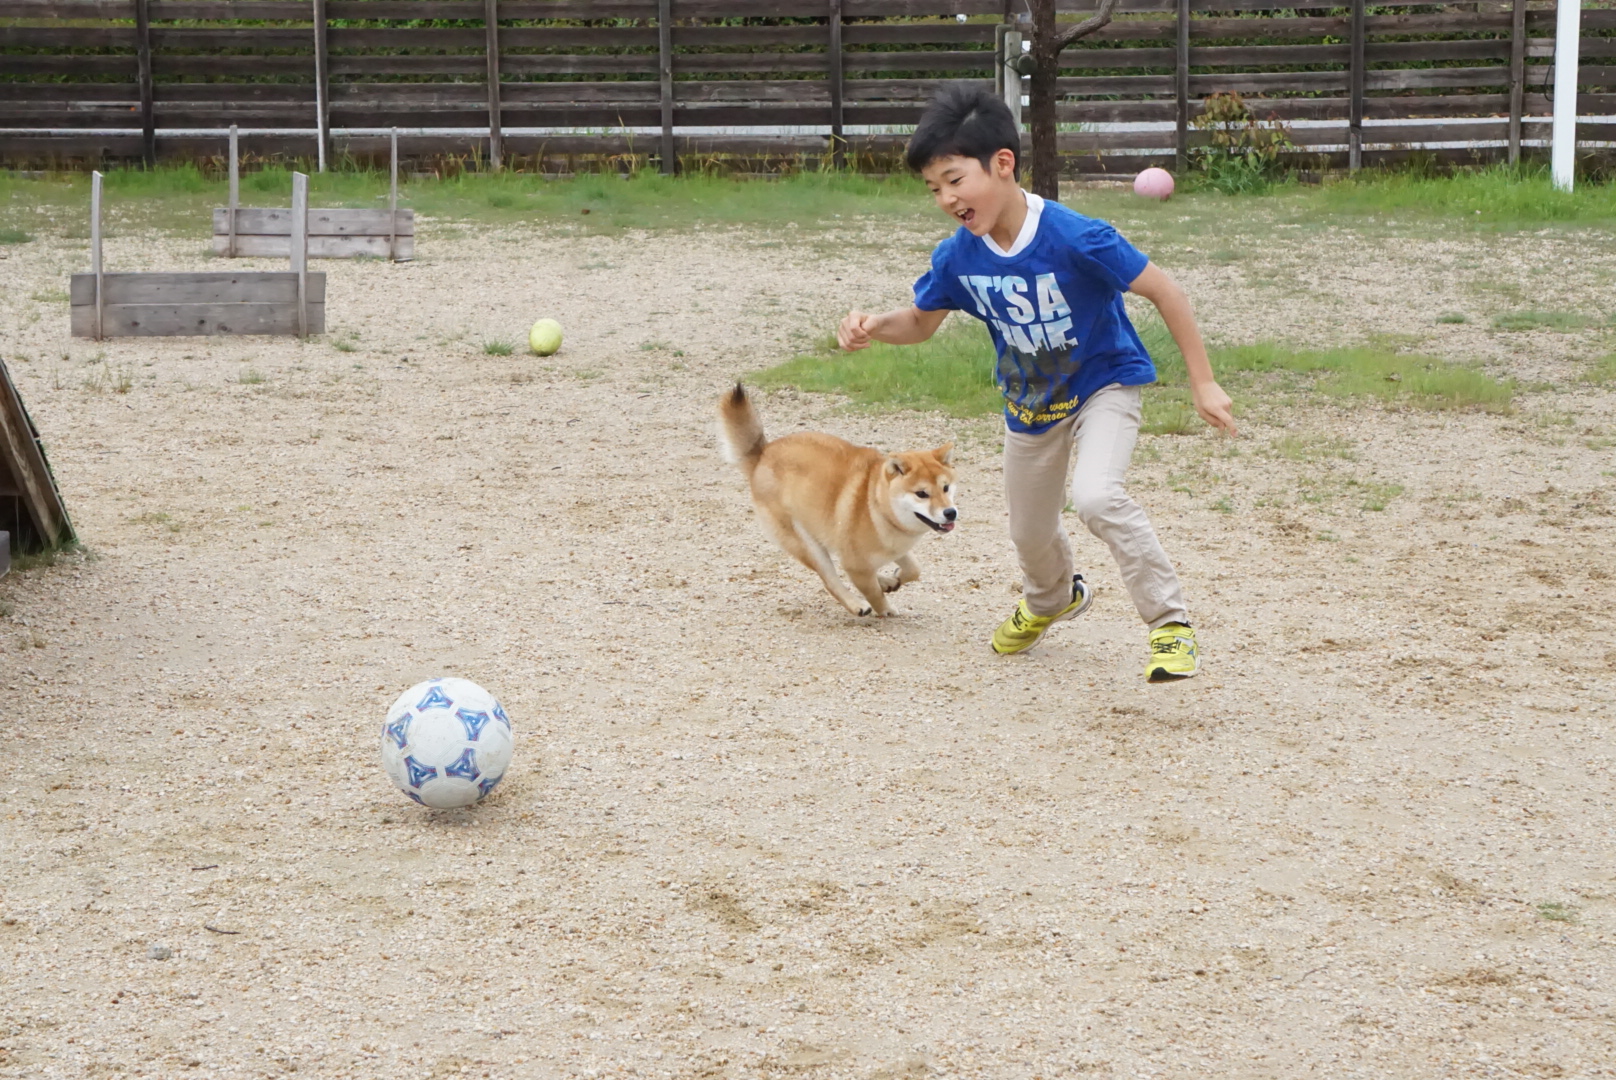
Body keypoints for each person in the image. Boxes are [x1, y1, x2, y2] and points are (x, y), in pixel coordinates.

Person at [836, 83, 1236, 680]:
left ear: (1003, 165)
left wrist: (1204, 385)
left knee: (1098, 496)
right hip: (1030, 405)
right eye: (934, 188)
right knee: (1029, 533)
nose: (946, 198)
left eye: (954, 179)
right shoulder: (959, 256)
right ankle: (1053, 599)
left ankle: (1170, 625)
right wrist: (871, 324)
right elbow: (920, 323)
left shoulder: (1077, 237)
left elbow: (1165, 291)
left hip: (1104, 383)